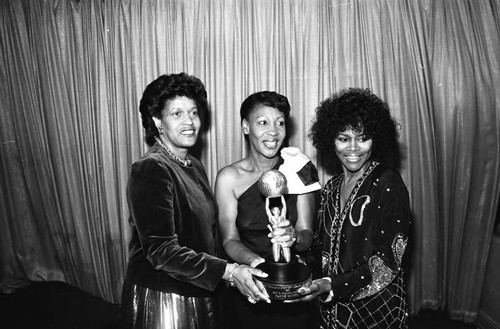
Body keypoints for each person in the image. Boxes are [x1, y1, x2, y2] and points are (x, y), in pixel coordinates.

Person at [121, 73, 269, 329]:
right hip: (165, 301)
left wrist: (241, 265)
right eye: (176, 114)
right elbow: (161, 252)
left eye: (193, 112)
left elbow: (205, 237)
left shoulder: (192, 164)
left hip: (198, 290)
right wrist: (230, 272)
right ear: (157, 121)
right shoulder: (151, 168)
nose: (189, 121)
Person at [293, 88, 411, 328]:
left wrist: (331, 285)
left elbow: (387, 262)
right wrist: (293, 248)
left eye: (363, 137)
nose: (354, 148)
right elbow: (320, 249)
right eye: (344, 138)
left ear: (376, 138)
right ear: (330, 140)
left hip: (377, 314)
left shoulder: (387, 182)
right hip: (331, 315)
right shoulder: (331, 187)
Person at [214, 91, 321, 329]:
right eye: (263, 122)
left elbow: (307, 235)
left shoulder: (299, 168)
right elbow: (229, 240)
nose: (273, 131)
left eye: (280, 123)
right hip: (249, 284)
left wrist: (293, 237)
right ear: (245, 126)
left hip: (293, 287)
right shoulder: (229, 178)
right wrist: (257, 266)